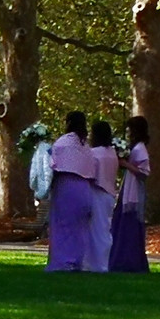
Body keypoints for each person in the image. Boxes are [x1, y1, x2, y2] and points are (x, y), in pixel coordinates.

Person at [46, 113, 97, 271]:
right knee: (79, 228)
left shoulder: (63, 143)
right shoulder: (86, 147)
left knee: (63, 226)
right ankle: (77, 261)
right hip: (85, 188)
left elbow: (52, 166)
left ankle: (63, 262)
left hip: (66, 186)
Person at [110, 116, 152, 273]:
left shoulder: (140, 149)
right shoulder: (135, 148)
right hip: (127, 189)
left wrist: (126, 164)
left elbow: (144, 172)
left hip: (133, 193)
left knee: (130, 227)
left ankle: (129, 261)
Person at [85, 119, 118, 272]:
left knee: (94, 230)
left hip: (96, 191)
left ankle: (95, 264)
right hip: (110, 194)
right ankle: (102, 262)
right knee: (105, 228)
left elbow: (91, 174)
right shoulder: (112, 153)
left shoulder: (94, 153)